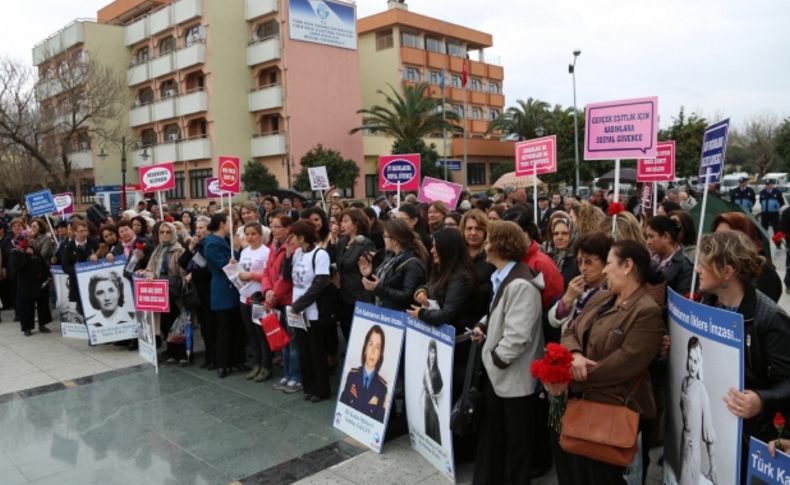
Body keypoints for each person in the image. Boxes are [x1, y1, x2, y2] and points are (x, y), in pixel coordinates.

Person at [558, 240, 665, 485]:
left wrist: (579, 374)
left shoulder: (646, 311)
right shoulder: (602, 297)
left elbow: (625, 363)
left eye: (608, 263)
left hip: (614, 414)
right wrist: (573, 356)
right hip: (584, 408)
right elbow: (570, 331)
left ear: (627, 266)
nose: (604, 270)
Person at [696, 231, 790, 481]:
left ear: (727, 272)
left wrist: (761, 400)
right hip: (718, 431)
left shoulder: (770, 318)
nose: (696, 270)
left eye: (703, 264)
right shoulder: (709, 304)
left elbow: (787, 381)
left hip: (751, 438)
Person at [470, 220, 544, 484]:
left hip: (513, 379)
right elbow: (498, 313)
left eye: (489, 238)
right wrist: (482, 325)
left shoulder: (521, 284)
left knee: (517, 446)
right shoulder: (505, 277)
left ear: (499, 245)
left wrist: (494, 359)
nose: (483, 243)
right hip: (502, 377)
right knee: (498, 439)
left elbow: (517, 336)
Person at [283, 220, 332, 402]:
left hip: (313, 311)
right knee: (303, 350)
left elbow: (319, 284)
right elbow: (288, 277)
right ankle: (309, 387)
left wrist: (299, 305)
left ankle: (321, 389)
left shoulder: (320, 254)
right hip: (298, 312)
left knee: (316, 351)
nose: (290, 240)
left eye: (293, 236)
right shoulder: (296, 254)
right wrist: (288, 256)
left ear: (302, 237)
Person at [261, 214, 300, 393]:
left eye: (277, 226)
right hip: (275, 299)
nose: (273, 229)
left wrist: (273, 295)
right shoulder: (273, 247)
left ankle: (296, 376)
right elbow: (267, 271)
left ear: (288, 228)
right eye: (272, 226)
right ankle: (287, 373)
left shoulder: (293, 248)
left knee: (293, 341)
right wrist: (267, 291)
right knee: (282, 339)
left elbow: (287, 278)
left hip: (289, 300)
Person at [203, 214, 245, 378]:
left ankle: (237, 359)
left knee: (236, 326)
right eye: (228, 222)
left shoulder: (226, 240)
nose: (231, 224)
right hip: (222, 288)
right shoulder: (212, 243)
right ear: (221, 224)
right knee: (224, 327)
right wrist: (233, 254)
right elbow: (224, 265)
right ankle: (223, 363)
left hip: (233, 288)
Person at [548, 232, 611, 333]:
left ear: (605, 261)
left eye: (588, 262)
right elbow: (553, 321)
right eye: (579, 262)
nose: (583, 268)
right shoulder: (579, 287)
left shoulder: (610, 290)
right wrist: (567, 299)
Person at [357, 219, 426, 311]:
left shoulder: (412, 263)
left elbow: (408, 296)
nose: (383, 239)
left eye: (385, 236)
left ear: (395, 240)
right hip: (383, 311)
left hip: (397, 317)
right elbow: (378, 283)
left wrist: (379, 289)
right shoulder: (389, 257)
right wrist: (368, 275)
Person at [712, 212, 782, 302]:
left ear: (744, 237)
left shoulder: (764, 274)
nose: (718, 242)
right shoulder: (716, 268)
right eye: (716, 236)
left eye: (726, 237)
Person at [142, 221, 186, 362]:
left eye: (168, 232)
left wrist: (183, 288)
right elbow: (150, 268)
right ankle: (172, 352)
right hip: (160, 293)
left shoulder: (179, 250)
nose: (165, 235)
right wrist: (149, 276)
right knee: (165, 324)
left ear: (173, 233)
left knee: (177, 324)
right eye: (162, 232)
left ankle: (182, 354)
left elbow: (183, 272)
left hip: (174, 293)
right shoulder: (157, 250)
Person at [678, 336, 719, 485]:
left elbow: (708, 432)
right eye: (690, 358)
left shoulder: (702, 390)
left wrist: (713, 468)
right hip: (683, 445)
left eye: (696, 361)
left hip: (693, 452)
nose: (692, 365)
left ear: (701, 362)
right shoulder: (684, 382)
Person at [236, 222, 272, 381]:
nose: (250, 237)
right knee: (252, 334)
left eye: (253, 234)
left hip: (259, 297)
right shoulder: (244, 251)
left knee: (262, 333)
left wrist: (252, 276)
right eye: (247, 234)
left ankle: (266, 365)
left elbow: (268, 275)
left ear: (260, 235)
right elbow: (241, 271)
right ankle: (256, 363)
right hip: (244, 297)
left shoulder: (266, 252)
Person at [335, 208, 376, 339]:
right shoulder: (342, 242)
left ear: (357, 224)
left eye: (346, 221)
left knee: (359, 336)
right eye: (341, 221)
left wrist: (368, 300)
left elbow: (368, 273)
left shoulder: (365, 243)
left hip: (358, 297)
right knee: (346, 331)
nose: (342, 224)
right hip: (342, 296)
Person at [179, 215, 214, 367]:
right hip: (197, 291)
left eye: (202, 227)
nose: (199, 230)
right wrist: (190, 247)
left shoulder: (210, 244)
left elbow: (210, 268)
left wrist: (194, 274)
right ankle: (208, 355)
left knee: (211, 324)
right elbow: (182, 262)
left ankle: (213, 356)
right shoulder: (196, 246)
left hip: (209, 288)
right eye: (197, 228)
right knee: (204, 326)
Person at [339, 324, 389, 421]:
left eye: (378, 347)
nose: (373, 351)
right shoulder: (352, 376)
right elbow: (342, 406)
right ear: (365, 348)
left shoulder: (382, 388)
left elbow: (378, 421)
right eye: (370, 344)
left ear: (381, 354)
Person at [646, 215, 693, 296]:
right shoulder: (650, 259)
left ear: (666, 236)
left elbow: (679, 301)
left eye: (651, 236)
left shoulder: (685, 266)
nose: (648, 242)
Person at [61, 219, 99, 315]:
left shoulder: (94, 242)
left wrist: (97, 257)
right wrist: (77, 271)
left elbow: (102, 256)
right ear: (74, 232)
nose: (84, 233)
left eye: (85, 230)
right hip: (77, 282)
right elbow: (65, 265)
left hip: (94, 280)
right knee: (81, 308)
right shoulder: (69, 247)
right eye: (81, 231)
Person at [461, 209, 495, 310]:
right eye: (469, 228)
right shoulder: (457, 254)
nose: (473, 233)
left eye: (478, 229)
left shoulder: (492, 256)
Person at [29, 218, 55, 333]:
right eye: (31, 226)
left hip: (42, 270)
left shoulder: (46, 239)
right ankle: (28, 325)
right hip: (29, 272)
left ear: (40, 227)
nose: (33, 228)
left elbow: (43, 254)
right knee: (29, 298)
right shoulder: (27, 238)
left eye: (35, 226)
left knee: (42, 299)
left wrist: (32, 248)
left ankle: (42, 323)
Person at [542, 211, 581, 288]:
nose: (559, 237)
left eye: (565, 233)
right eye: (556, 234)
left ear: (572, 235)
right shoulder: (548, 256)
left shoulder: (578, 260)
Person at [422, 339, 444, 445]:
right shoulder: (426, 368)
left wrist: (436, 394)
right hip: (426, 403)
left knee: (434, 426)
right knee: (428, 427)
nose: (432, 354)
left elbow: (441, 386)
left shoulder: (437, 370)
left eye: (434, 351)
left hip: (433, 403)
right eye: (431, 351)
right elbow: (423, 383)